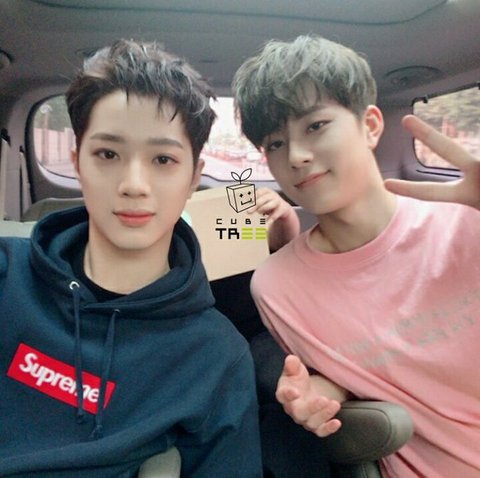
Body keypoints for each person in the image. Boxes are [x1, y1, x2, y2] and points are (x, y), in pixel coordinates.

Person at [0, 39, 262, 477]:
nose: (134, 184)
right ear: (77, 163)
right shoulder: (7, 274)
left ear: (193, 178)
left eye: (163, 159)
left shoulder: (216, 357)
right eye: (108, 154)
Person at [233, 34, 480, 477]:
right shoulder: (276, 287)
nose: (297, 156)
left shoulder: (466, 222)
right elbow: (349, 369)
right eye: (275, 143)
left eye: (315, 126)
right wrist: (322, 392)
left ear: (370, 125)